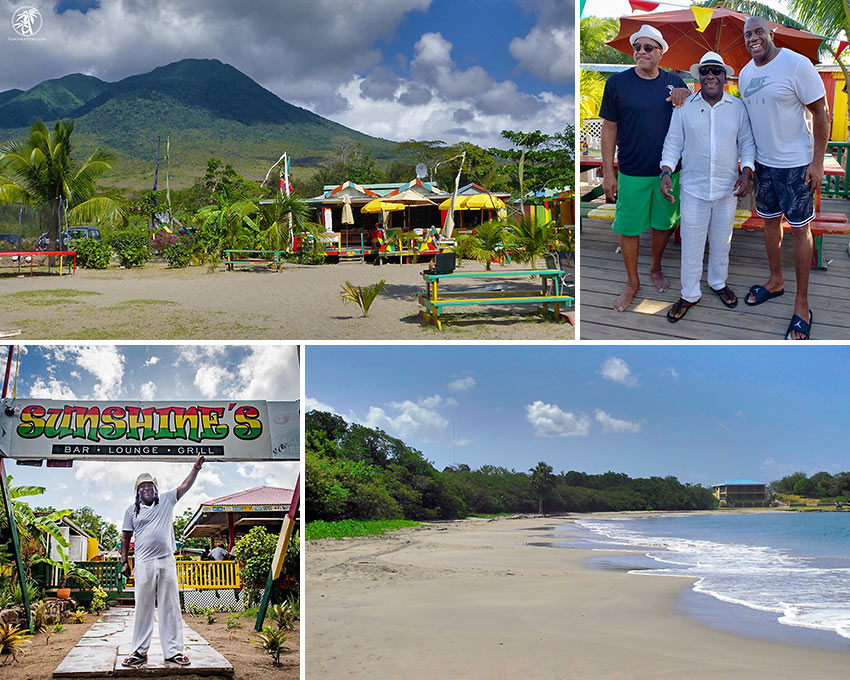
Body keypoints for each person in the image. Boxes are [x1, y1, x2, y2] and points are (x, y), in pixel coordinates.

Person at [739, 16, 829, 339]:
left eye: (758, 32)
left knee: (800, 230)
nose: (753, 38)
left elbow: (822, 112)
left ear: (771, 32)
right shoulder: (746, 75)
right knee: (768, 223)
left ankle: (801, 303)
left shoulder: (796, 64)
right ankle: (775, 281)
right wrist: (748, 166)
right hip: (765, 167)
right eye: (748, 34)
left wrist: (817, 162)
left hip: (797, 165)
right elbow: (749, 124)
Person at [660, 51, 755, 322]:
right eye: (705, 71)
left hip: (727, 189)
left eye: (716, 70)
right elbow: (673, 142)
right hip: (693, 189)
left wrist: (747, 171)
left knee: (722, 242)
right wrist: (666, 170)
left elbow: (746, 142)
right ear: (698, 76)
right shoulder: (684, 106)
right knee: (691, 243)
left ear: (725, 76)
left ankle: (718, 282)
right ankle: (689, 293)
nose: (710, 75)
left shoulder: (737, 107)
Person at [599, 24, 689, 311]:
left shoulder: (674, 82)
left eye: (648, 48)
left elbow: (694, 111)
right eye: (637, 47)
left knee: (663, 224)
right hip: (632, 170)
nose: (640, 52)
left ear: (661, 52)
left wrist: (685, 94)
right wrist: (609, 172)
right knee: (628, 228)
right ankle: (632, 281)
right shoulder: (617, 84)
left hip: (668, 172)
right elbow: (609, 128)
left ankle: (655, 267)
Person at [120, 454, 205, 668]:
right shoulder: (131, 511)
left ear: (156, 490)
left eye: (150, 487)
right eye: (143, 487)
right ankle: (139, 651)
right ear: (137, 492)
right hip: (144, 563)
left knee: (170, 606)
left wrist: (196, 466)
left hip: (166, 561)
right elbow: (125, 537)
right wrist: (124, 562)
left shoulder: (167, 500)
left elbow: (185, 485)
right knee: (143, 607)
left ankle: (174, 651)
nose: (147, 490)